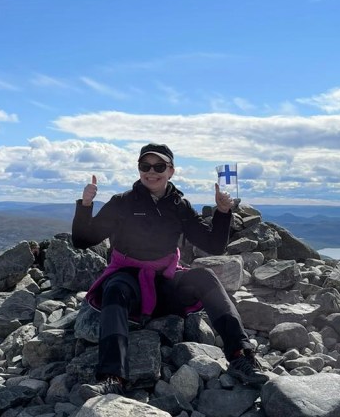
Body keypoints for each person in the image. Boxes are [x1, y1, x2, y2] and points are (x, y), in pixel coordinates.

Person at [72, 142, 268, 397]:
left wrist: (222, 212)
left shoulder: (179, 205)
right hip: (129, 281)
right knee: (115, 287)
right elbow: (82, 240)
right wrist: (86, 205)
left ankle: (240, 355)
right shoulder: (122, 202)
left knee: (205, 277)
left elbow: (213, 245)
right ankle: (112, 377)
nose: (151, 172)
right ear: (139, 169)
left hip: (164, 283)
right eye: (145, 166)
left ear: (171, 171)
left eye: (159, 166)